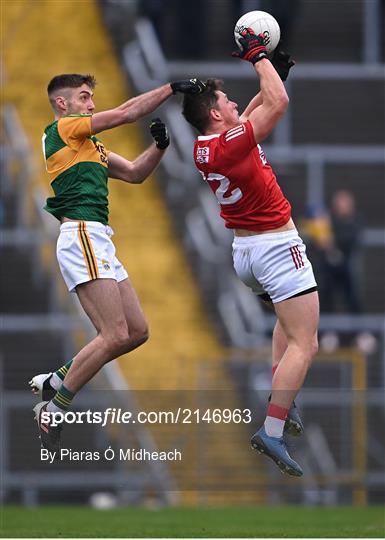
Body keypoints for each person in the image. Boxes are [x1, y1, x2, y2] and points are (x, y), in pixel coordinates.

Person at [30, 73, 206, 452]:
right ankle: (54, 408)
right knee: (112, 334)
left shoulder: (89, 147)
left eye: (92, 97)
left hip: (99, 239)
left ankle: (59, 379)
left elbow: (135, 173)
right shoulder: (64, 129)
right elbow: (126, 113)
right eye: (84, 97)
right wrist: (171, 89)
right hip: (81, 233)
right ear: (63, 103)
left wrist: (159, 146)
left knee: (137, 331)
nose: (91, 104)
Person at [182, 31, 319, 476]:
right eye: (226, 101)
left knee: (286, 323)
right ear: (214, 114)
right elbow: (276, 105)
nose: (235, 104)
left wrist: (273, 71)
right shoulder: (228, 142)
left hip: (247, 254)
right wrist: (257, 55)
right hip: (276, 247)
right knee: (306, 341)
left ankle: (284, 398)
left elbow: (261, 104)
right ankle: (273, 431)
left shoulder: (209, 144)